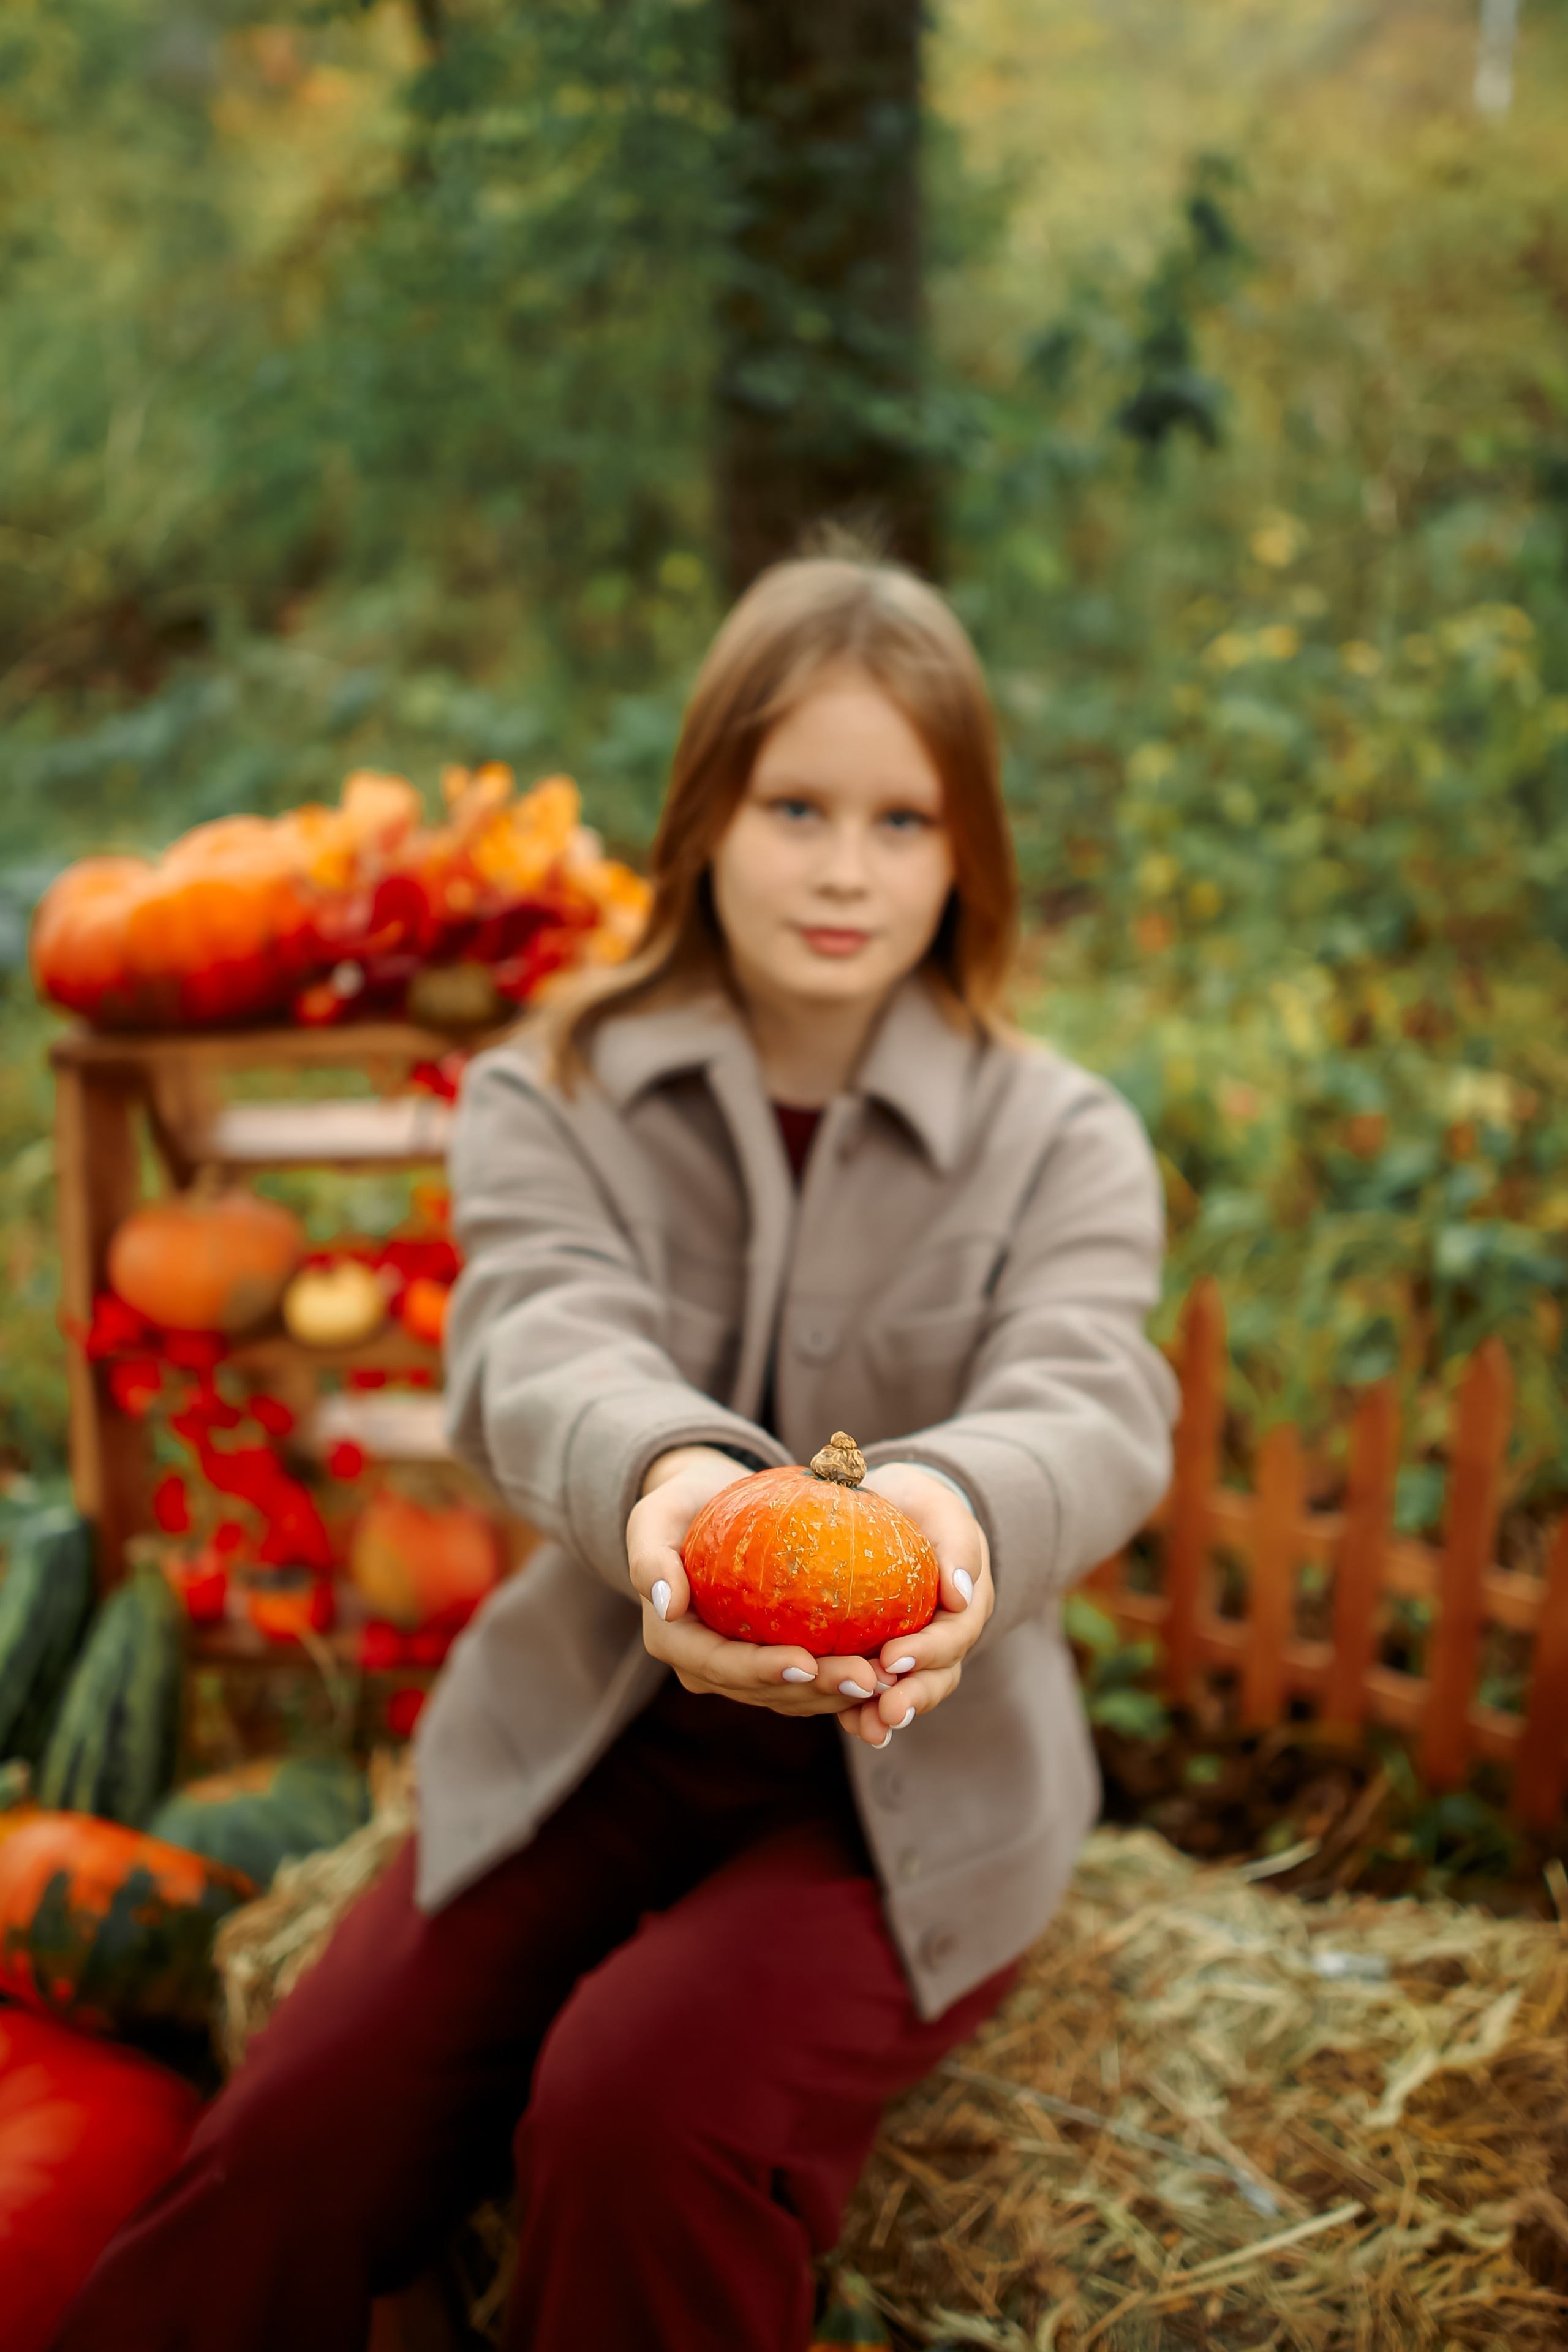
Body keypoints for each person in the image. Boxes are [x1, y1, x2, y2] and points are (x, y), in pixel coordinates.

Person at [57, 551, 1178, 2352]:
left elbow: (1091, 1386)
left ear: (968, 846)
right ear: (704, 816)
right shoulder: (552, 1085)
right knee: (294, 2139)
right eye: (794, 804)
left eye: (902, 819)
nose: (842, 866)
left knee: (642, 2109)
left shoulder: (1061, 1138)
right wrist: (676, 1495)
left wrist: (946, 1515)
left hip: (905, 1791)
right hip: (592, 1740)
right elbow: (536, 1332)